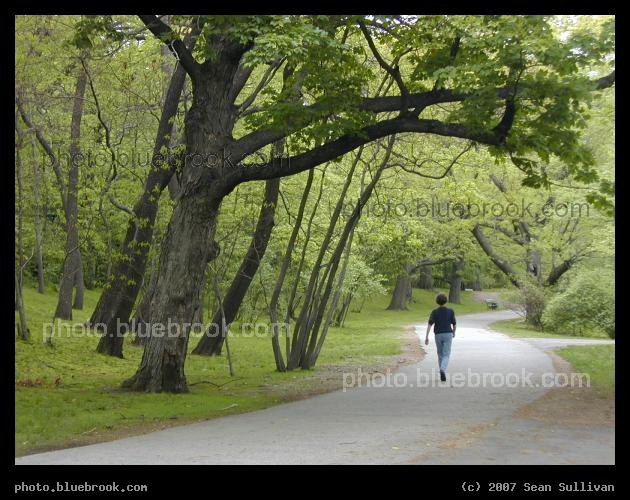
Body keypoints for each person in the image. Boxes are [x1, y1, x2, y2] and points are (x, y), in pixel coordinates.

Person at [424, 293, 456, 382]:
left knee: (440, 353)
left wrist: (426, 336)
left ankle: (442, 370)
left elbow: (430, 324)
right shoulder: (450, 311)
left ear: (437, 301)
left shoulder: (434, 312)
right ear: (446, 301)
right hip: (448, 334)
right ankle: (442, 369)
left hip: (438, 334)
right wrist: (454, 332)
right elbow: (454, 323)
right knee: (446, 354)